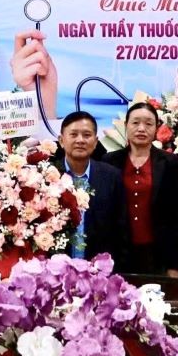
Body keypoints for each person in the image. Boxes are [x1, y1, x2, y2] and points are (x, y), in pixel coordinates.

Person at [103, 102, 178, 275]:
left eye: (148, 123)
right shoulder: (109, 161)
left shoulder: (170, 163)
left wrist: (173, 264)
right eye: (135, 122)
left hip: (156, 255)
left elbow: (175, 216)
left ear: (156, 128)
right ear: (126, 126)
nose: (141, 128)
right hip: (118, 253)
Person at [55, 111, 125, 261]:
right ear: (61, 140)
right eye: (73, 135)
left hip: (99, 271)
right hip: (55, 271)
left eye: (87, 135)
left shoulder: (112, 177)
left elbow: (121, 228)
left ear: (95, 142)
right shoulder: (46, 176)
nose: (80, 140)